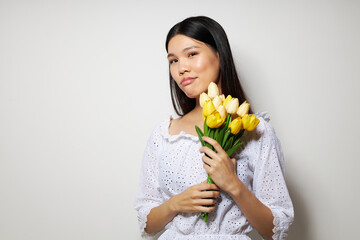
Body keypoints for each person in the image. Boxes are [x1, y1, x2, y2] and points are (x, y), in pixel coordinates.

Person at [134, 16, 294, 240]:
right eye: (173, 60)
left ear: (219, 55)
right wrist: (175, 203)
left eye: (191, 54)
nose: (181, 68)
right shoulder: (164, 135)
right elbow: (147, 224)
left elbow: (274, 231)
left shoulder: (256, 131)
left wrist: (232, 184)